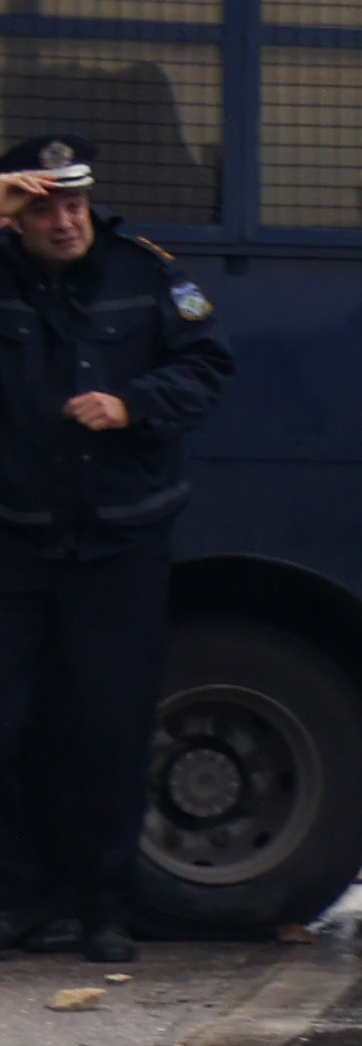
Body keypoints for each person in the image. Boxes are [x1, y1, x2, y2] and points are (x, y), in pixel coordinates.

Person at [0, 136, 230, 958]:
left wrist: (133, 404)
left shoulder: (144, 271)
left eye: (74, 205)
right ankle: (24, 901)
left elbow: (207, 365)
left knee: (108, 729)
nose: (64, 222)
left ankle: (102, 908)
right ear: (15, 216)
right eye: (42, 209)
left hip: (120, 538)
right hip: (18, 541)